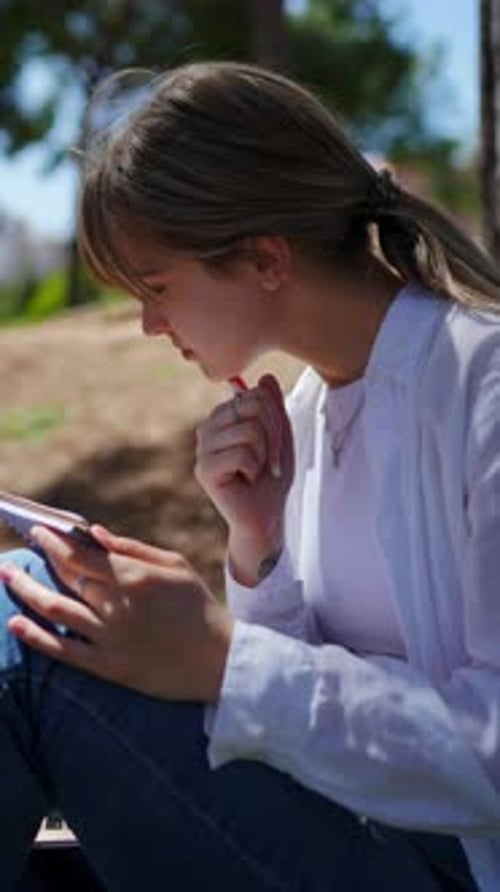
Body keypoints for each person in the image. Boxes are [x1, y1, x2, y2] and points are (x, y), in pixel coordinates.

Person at [1, 61, 500, 892]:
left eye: (157, 286)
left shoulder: (481, 391)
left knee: (26, 628)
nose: (150, 323)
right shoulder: (307, 413)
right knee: (44, 601)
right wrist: (256, 546)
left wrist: (225, 660)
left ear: (266, 258)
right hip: (359, 828)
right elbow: (314, 718)